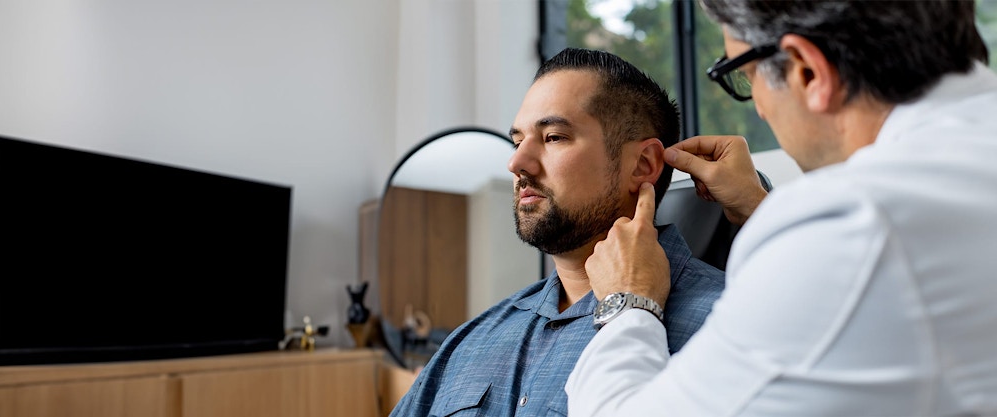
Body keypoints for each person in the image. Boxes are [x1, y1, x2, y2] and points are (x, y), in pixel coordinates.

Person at [566, 1, 997, 415]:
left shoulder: (856, 223)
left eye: (744, 73)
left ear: (808, 70)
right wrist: (758, 207)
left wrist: (626, 304)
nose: (758, 105)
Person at [389, 47, 727, 416]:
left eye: (553, 137)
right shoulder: (468, 342)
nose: (516, 162)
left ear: (643, 165)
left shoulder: (732, 328)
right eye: (518, 141)